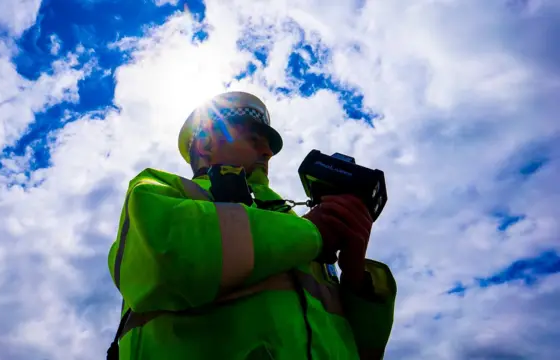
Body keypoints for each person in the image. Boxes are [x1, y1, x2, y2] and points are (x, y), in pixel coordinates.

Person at [107, 91, 396, 360]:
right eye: (254, 138)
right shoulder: (158, 190)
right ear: (207, 142)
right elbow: (169, 258)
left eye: (269, 146)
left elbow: (362, 351)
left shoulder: (292, 224)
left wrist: (357, 280)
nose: (268, 152)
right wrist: (314, 233)